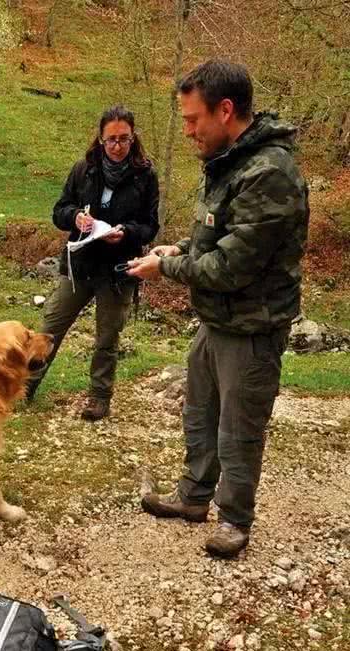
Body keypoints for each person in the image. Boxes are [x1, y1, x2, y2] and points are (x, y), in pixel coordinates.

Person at [127, 60, 308, 557]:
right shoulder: (231, 162)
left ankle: (234, 520)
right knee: (201, 413)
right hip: (216, 319)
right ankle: (192, 496)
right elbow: (220, 232)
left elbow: (232, 266)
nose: (187, 131)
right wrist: (179, 248)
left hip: (252, 324)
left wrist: (168, 269)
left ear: (225, 111)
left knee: (239, 428)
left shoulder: (270, 172)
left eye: (192, 119)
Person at [26, 104, 160, 421]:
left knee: (107, 338)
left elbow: (150, 226)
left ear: (133, 138)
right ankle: (25, 387)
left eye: (124, 139)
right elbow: (59, 211)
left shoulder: (146, 176)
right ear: (100, 139)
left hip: (118, 270)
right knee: (51, 327)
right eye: (111, 139)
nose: (117, 146)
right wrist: (76, 217)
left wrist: (126, 232)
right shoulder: (83, 169)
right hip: (80, 265)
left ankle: (99, 397)